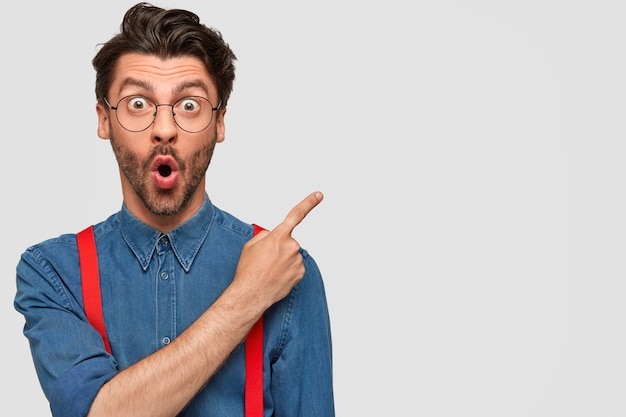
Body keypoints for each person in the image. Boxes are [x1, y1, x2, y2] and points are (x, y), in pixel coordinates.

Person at [14, 3, 334, 416]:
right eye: (137, 103)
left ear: (219, 123)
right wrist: (248, 295)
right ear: (103, 120)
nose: (164, 129)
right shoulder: (53, 272)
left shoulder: (288, 270)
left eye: (188, 105)